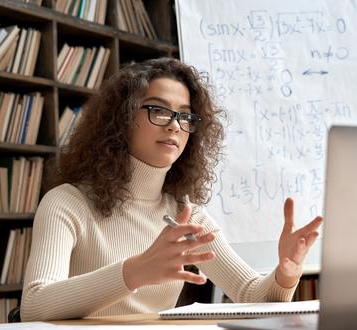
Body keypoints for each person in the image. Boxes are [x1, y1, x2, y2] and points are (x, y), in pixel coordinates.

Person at [21, 58, 323, 321]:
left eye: (185, 116)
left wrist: (286, 272)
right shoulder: (66, 203)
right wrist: (134, 272)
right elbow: (34, 305)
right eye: (159, 110)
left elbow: (251, 296)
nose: (175, 126)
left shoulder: (187, 216)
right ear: (122, 118)